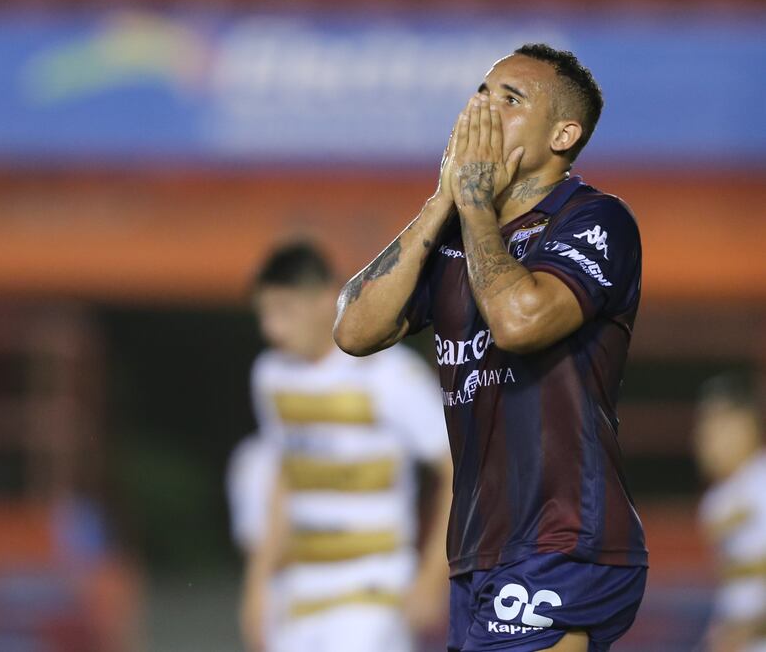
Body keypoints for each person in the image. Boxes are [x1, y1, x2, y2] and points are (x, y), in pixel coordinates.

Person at [333, 43, 647, 651]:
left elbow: (519, 322)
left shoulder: (595, 220)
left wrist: (474, 205)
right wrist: (442, 201)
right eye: (482, 92)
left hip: (565, 535)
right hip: (480, 545)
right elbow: (354, 331)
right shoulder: (456, 232)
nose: (482, 108)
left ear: (563, 134)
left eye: (511, 98)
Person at [239, 241, 453, 652]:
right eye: (265, 313)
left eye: (284, 310)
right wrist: (257, 584)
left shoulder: (389, 374)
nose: (272, 329)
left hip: (372, 587)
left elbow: (456, 471)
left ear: (324, 300)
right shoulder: (271, 376)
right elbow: (285, 476)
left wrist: (432, 578)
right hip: (302, 589)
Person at [695, 374, 766, 652]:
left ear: (746, 425)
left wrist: (749, 628)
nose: (705, 439)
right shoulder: (714, 502)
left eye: (719, 425)